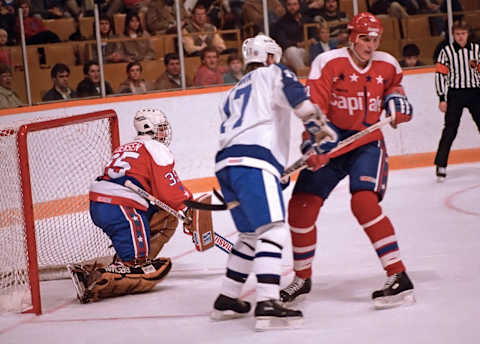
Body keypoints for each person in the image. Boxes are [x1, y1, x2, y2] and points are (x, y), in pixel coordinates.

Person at [280, 12, 416, 310]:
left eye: (375, 39)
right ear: (352, 37)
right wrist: (311, 144)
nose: (370, 45)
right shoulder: (328, 63)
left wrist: (397, 101)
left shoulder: (387, 64)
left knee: (364, 202)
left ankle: (398, 274)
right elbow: (313, 106)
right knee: (301, 206)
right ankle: (302, 277)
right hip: (331, 141)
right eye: (365, 38)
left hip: (367, 145)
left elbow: (394, 86)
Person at [210, 34, 337, 330]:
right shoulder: (274, 73)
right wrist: (317, 127)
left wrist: (272, 169)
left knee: (250, 235)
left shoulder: (234, 90)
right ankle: (268, 300)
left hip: (226, 164)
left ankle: (227, 299)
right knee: (273, 231)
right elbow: (297, 97)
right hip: (254, 161)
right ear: (270, 58)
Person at [68, 108, 193, 303]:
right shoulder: (155, 147)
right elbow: (168, 187)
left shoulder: (126, 147)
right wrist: (187, 206)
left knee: (165, 217)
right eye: (160, 128)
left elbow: (151, 188)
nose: (164, 133)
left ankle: (120, 262)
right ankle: (95, 280)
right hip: (122, 207)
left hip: (101, 203)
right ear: (149, 129)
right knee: (136, 265)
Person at [434, 20, 480, 182]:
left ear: (468, 34)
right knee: (450, 130)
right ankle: (441, 165)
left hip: (476, 93)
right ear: (453, 35)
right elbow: (440, 75)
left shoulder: (476, 50)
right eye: (458, 34)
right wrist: (441, 97)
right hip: (455, 93)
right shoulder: (446, 52)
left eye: (463, 33)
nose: (461, 37)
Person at [271, 0, 313, 73]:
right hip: (289, 54)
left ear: (299, 5)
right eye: (289, 5)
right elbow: (283, 42)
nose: (292, 7)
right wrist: (299, 44)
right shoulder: (281, 23)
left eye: (295, 4)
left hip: (308, 51)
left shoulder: (307, 19)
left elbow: (314, 35)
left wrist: (311, 41)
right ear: (286, 7)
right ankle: (304, 75)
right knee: (291, 51)